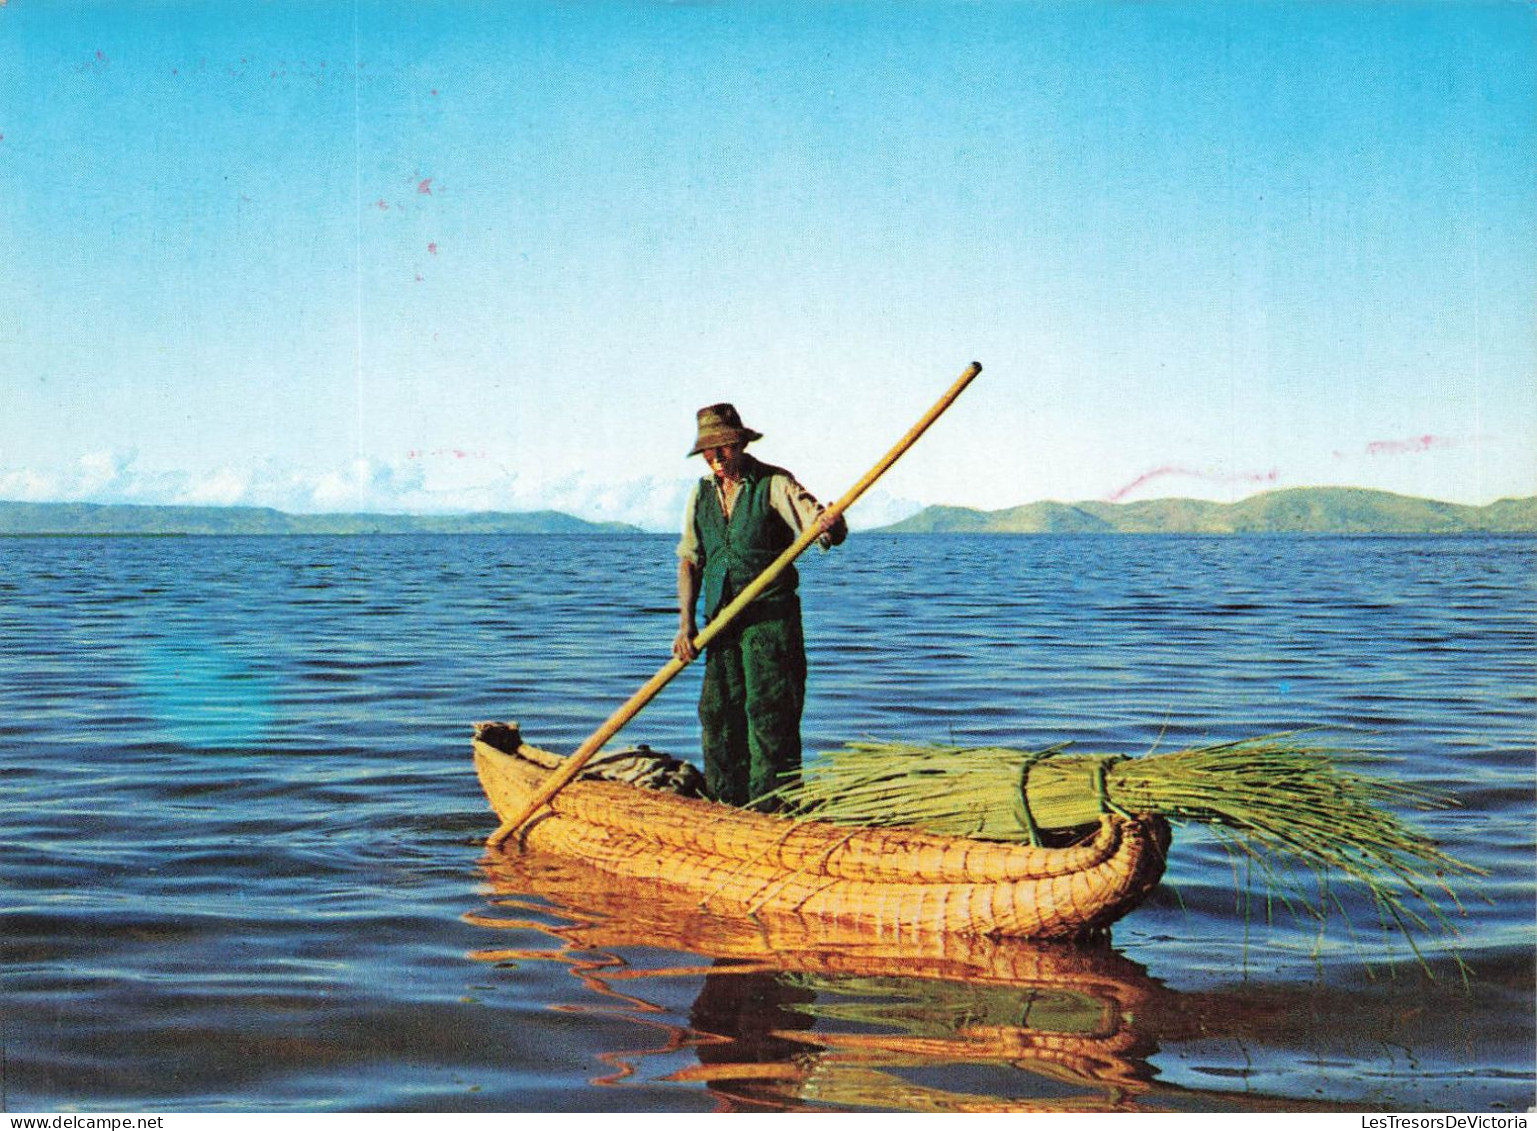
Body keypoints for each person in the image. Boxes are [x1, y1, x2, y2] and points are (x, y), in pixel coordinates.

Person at [672, 403, 846, 809]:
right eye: (708, 451)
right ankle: (725, 806)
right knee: (718, 714)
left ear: (740, 443)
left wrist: (832, 525)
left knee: (769, 715)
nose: (716, 458)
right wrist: (685, 626)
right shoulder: (700, 495)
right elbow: (690, 560)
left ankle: (771, 810)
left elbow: (822, 530)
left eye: (723, 448)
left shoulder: (774, 484)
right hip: (720, 624)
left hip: (770, 623)